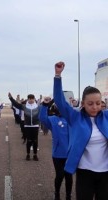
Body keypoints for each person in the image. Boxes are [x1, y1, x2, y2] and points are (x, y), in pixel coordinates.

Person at [53, 61, 108, 200]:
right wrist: (57, 76)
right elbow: (60, 101)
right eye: (90, 104)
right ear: (82, 104)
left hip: (106, 173)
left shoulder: (106, 116)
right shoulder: (75, 117)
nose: (95, 107)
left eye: (98, 103)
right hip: (85, 172)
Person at [40, 97, 73, 200]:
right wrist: (45, 105)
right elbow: (42, 118)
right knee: (59, 175)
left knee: (69, 176)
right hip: (57, 154)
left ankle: (68, 195)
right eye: (58, 107)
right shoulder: (53, 119)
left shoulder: (70, 120)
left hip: (69, 153)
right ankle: (57, 193)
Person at [8, 92, 40, 161]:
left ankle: (35, 155)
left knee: (35, 141)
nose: (31, 100)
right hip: (27, 126)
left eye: (32, 99)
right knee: (28, 140)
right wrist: (11, 98)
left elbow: (47, 105)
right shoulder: (24, 106)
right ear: (27, 99)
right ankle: (28, 154)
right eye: (29, 99)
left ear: (34, 99)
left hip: (35, 125)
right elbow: (16, 104)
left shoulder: (37, 106)